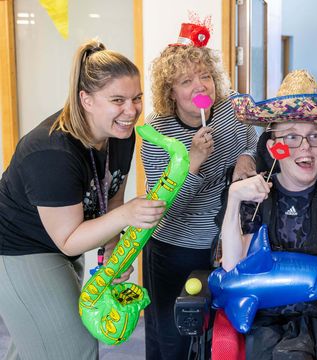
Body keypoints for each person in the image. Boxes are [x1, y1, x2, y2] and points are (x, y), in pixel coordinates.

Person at [0, 40, 166, 360]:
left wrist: (113, 250)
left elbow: (112, 197)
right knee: (74, 349)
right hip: (18, 248)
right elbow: (70, 240)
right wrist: (128, 216)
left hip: (59, 238)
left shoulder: (121, 133)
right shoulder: (51, 152)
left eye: (137, 98)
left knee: (40, 344)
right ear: (86, 100)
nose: (131, 110)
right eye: (117, 100)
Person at [221, 70, 317, 359]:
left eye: (314, 137)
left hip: (316, 318)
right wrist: (233, 199)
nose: (305, 147)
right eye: (291, 137)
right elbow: (233, 267)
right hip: (262, 315)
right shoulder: (257, 197)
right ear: (273, 148)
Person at [141, 21, 258, 360]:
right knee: (174, 342)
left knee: (223, 338)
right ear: (170, 91)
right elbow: (164, 209)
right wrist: (191, 164)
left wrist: (246, 160)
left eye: (204, 76)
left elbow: (254, 143)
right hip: (176, 248)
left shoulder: (231, 110)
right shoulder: (156, 131)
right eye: (185, 81)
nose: (198, 86)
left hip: (228, 245)